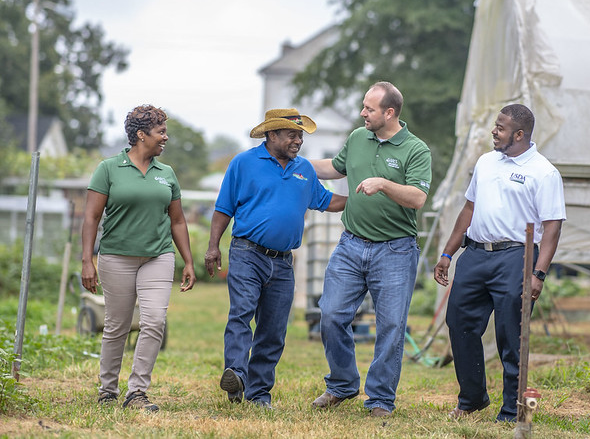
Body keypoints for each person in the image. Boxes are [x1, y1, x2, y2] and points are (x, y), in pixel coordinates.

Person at [204, 108, 346, 409]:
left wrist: (364, 198)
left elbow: (327, 200)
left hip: (283, 262)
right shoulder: (243, 163)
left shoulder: (304, 169)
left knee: (274, 329)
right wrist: (213, 246)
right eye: (292, 134)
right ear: (271, 135)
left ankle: (258, 394)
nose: (298, 140)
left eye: (301, 135)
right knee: (241, 313)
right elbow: (223, 207)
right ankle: (236, 376)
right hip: (247, 253)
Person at [433, 104, 566, 422]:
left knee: (511, 334)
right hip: (475, 255)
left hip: (516, 258)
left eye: (500, 127)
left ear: (519, 135)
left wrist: (538, 273)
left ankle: (511, 410)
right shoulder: (485, 162)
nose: (494, 131)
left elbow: (552, 227)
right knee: (459, 324)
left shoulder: (543, 172)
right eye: (495, 125)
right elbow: (468, 209)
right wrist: (448, 253)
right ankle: (472, 398)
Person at [311, 81, 432, 418]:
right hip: (351, 245)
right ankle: (342, 384)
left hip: (395, 250)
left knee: (392, 326)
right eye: (364, 106)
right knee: (331, 314)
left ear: (389, 113)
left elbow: (418, 198)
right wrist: (295, 161)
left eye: (369, 108)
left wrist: (384, 184)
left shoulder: (415, 149)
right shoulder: (356, 138)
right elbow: (335, 168)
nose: (362, 113)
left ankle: (380, 399)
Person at [81, 104, 197, 413]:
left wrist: (187, 260)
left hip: (158, 256)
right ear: (141, 135)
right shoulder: (109, 168)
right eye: (161, 132)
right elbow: (91, 217)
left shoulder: (167, 173)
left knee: (154, 320)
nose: (165, 138)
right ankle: (107, 390)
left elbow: (178, 221)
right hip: (115, 257)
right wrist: (86, 261)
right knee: (117, 326)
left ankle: (137, 392)